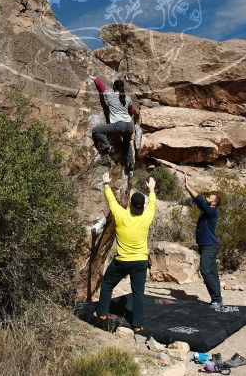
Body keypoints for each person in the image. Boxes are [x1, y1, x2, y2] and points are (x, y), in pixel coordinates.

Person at [95, 172, 156, 332]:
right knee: (138, 293)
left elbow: (112, 202)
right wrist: (152, 190)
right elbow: (152, 204)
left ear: (129, 203)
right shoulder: (147, 216)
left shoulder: (121, 215)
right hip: (140, 262)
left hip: (121, 261)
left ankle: (101, 313)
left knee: (107, 284)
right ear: (142, 207)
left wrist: (106, 184)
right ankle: (137, 324)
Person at [184, 178, 223, 309]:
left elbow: (199, 200)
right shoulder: (207, 211)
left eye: (210, 197)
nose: (207, 197)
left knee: (205, 271)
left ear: (213, 202)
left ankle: (217, 300)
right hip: (206, 246)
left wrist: (188, 186)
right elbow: (200, 202)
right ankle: (217, 299)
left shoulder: (212, 211)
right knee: (212, 272)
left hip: (210, 247)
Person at [89, 76, 137, 174]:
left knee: (96, 131)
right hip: (129, 125)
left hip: (119, 125)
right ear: (123, 88)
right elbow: (131, 112)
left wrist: (95, 79)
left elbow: (100, 86)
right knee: (127, 143)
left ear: (114, 87)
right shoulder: (128, 98)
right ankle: (130, 164)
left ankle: (108, 146)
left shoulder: (110, 95)